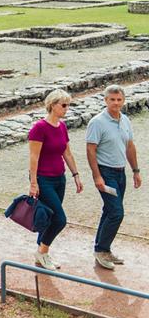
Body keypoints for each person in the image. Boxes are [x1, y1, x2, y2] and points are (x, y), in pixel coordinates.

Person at [85, 85, 142, 270]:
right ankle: (101, 250)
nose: (116, 103)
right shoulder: (97, 122)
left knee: (110, 211)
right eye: (112, 99)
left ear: (123, 100)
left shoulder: (125, 120)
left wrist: (135, 170)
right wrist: (97, 176)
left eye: (119, 100)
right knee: (117, 212)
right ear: (106, 100)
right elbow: (90, 150)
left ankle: (103, 249)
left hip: (120, 172)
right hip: (106, 172)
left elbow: (130, 146)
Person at [26, 89, 84, 271]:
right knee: (60, 219)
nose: (66, 108)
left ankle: (41, 253)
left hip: (60, 178)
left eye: (68, 105)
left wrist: (76, 175)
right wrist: (34, 183)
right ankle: (42, 253)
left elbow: (67, 152)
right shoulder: (39, 128)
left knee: (51, 217)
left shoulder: (62, 126)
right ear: (52, 105)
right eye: (63, 105)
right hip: (44, 179)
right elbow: (33, 157)